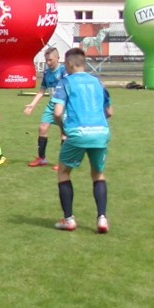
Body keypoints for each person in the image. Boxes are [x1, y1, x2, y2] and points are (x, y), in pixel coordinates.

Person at [52, 47, 113, 233]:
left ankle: (69, 219)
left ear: (70, 63)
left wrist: (63, 130)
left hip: (77, 132)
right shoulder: (97, 82)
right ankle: (102, 218)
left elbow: (57, 113)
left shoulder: (65, 82)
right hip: (101, 132)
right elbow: (109, 111)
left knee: (63, 172)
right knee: (98, 174)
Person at [24, 47, 67, 168]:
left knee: (64, 132)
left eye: (50, 60)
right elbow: (42, 90)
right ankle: (42, 159)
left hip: (65, 105)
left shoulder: (64, 71)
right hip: (52, 104)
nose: (48, 63)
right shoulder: (47, 73)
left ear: (58, 58)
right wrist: (32, 105)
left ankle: (63, 162)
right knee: (42, 128)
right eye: (46, 60)